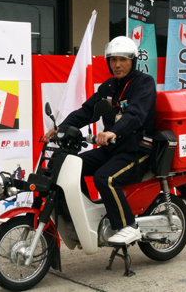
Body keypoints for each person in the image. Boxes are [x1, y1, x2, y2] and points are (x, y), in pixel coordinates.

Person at [44, 36, 156, 246]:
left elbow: (136, 114)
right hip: (112, 149)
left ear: (133, 60)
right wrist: (61, 128)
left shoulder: (144, 83)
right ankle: (85, 219)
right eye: (113, 60)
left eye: (123, 59)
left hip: (136, 150)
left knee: (105, 178)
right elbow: (87, 111)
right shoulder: (109, 86)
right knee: (70, 168)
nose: (117, 65)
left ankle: (127, 226)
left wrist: (114, 131)